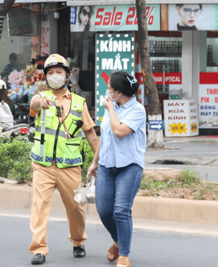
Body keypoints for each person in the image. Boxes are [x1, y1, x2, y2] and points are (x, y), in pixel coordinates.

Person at [29, 54, 98, 265]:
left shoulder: (78, 103)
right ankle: (38, 249)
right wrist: (40, 101)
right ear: (46, 77)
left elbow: (91, 134)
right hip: (43, 164)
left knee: (76, 207)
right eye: (50, 73)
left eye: (59, 72)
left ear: (67, 75)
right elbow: (33, 104)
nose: (55, 76)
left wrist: (98, 159)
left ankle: (78, 241)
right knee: (39, 206)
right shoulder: (41, 97)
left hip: (70, 165)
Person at [87, 71, 146, 267]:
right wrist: (95, 162)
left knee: (121, 210)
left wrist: (111, 109)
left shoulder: (137, 110)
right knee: (104, 210)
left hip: (129, 166)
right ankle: (118, 241)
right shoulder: (112, 107)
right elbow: (106, 136)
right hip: (106, 164)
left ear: (118, 92)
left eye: (110, 89)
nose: (107, 92)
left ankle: (124, 255)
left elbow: (119, 131)